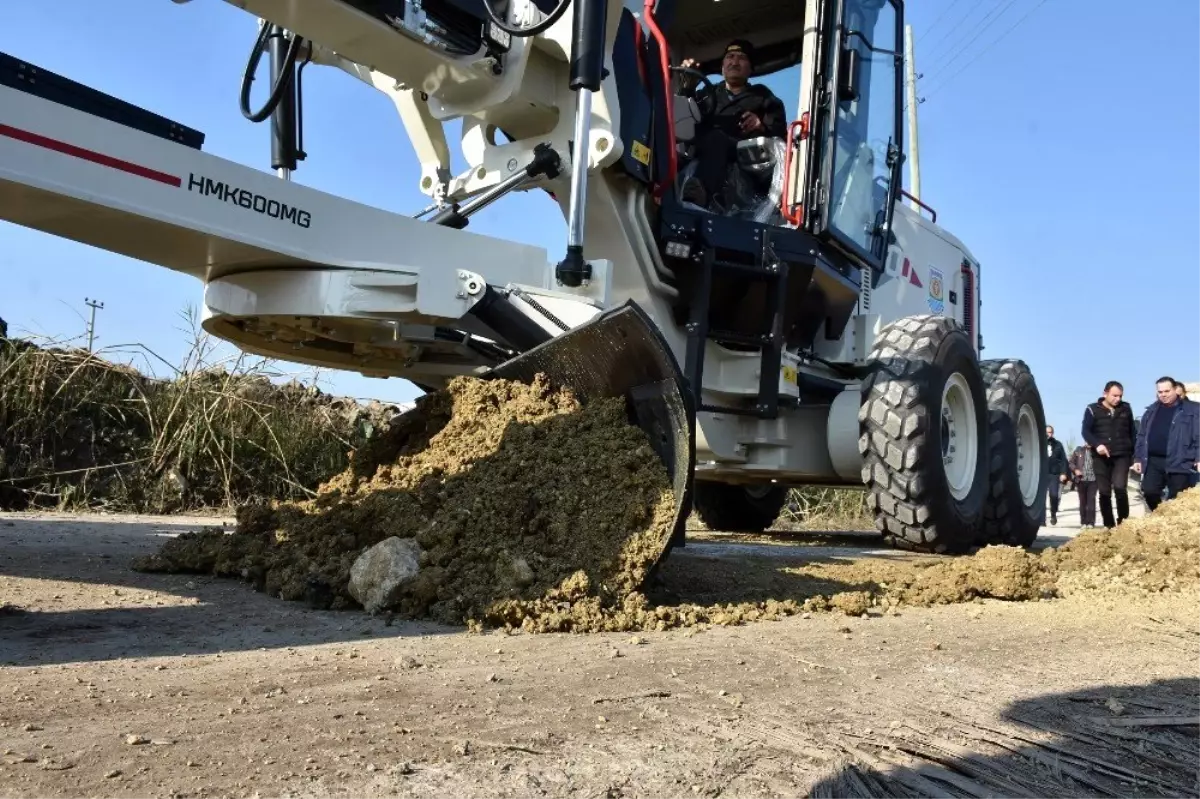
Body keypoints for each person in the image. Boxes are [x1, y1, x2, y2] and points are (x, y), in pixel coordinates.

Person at [677, 39, 787, 210]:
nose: (735, 62)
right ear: (722, 66)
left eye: (742, 58)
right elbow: (681, 118)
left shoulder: (762, 96)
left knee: (716, 138)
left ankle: (700, 192)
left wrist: (761, 126)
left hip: (741, 155)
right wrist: (687, 88)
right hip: (700, 149)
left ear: (751, 68)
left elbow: (781, 138)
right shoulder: (707, 94)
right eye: (730, 57)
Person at [1133, 376, 1200, 511]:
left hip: (1180, 460)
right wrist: (1138, 457)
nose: (1163, 395)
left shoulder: (1192, 410)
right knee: (1149, 491)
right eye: (1160, 392)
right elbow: (1142, 436)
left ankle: (1171, 525)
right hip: (1153, 461)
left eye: (1167, 391)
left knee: (1177, 496)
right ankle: (1161, 515)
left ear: (1176, 390)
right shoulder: (1151, 411)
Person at [1081, 381, 1137, 529]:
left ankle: (1123, 522)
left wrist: (1135, 455)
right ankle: (1109, 524)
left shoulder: (1126, 408)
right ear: (1105, 393)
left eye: (1120, 396)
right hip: (1100, 457)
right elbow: (1086, 431)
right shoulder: (1092, 409)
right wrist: (1097, 444)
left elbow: (1133, 432)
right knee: (1105, 492)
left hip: (1122, 454)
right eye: (1114, 395)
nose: (1117, 399)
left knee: (1120, 487)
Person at [1069, 443, 1098, 528]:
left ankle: (1091, 523)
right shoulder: (1079, 450)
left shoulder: (1096, 451)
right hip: (1081, 480)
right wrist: (1075, 470)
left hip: (1093, 480)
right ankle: (1083, 522)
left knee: (1091, 501)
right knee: (1083, 502)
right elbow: (1071, 463)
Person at [1045, 425, 1069, 525]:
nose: (1048, 434)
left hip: (1053, 474)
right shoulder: (1038, 443)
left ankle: (1053, 514)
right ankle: (1041, 519)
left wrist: (1063, 473)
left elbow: (1063, 460)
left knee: (1054, 495)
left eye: (1050, 432)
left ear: (1052, 433)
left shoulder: (1058, 444)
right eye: (1046, 432)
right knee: (1040, 497)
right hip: (1041, 474)